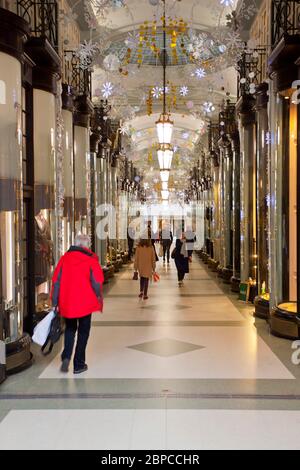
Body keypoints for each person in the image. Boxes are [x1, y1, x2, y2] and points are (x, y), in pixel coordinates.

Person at [51, 234, 104, 374]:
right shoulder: (90, 260)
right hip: (85, 303)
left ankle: (66, 357)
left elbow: (56, 281)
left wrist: (55, 302)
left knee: (70, 329)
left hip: (68, 303)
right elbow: (97, 282)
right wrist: (97, 295)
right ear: (86, 246)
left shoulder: (64, 259)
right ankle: (79, 364)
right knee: (83, 332)